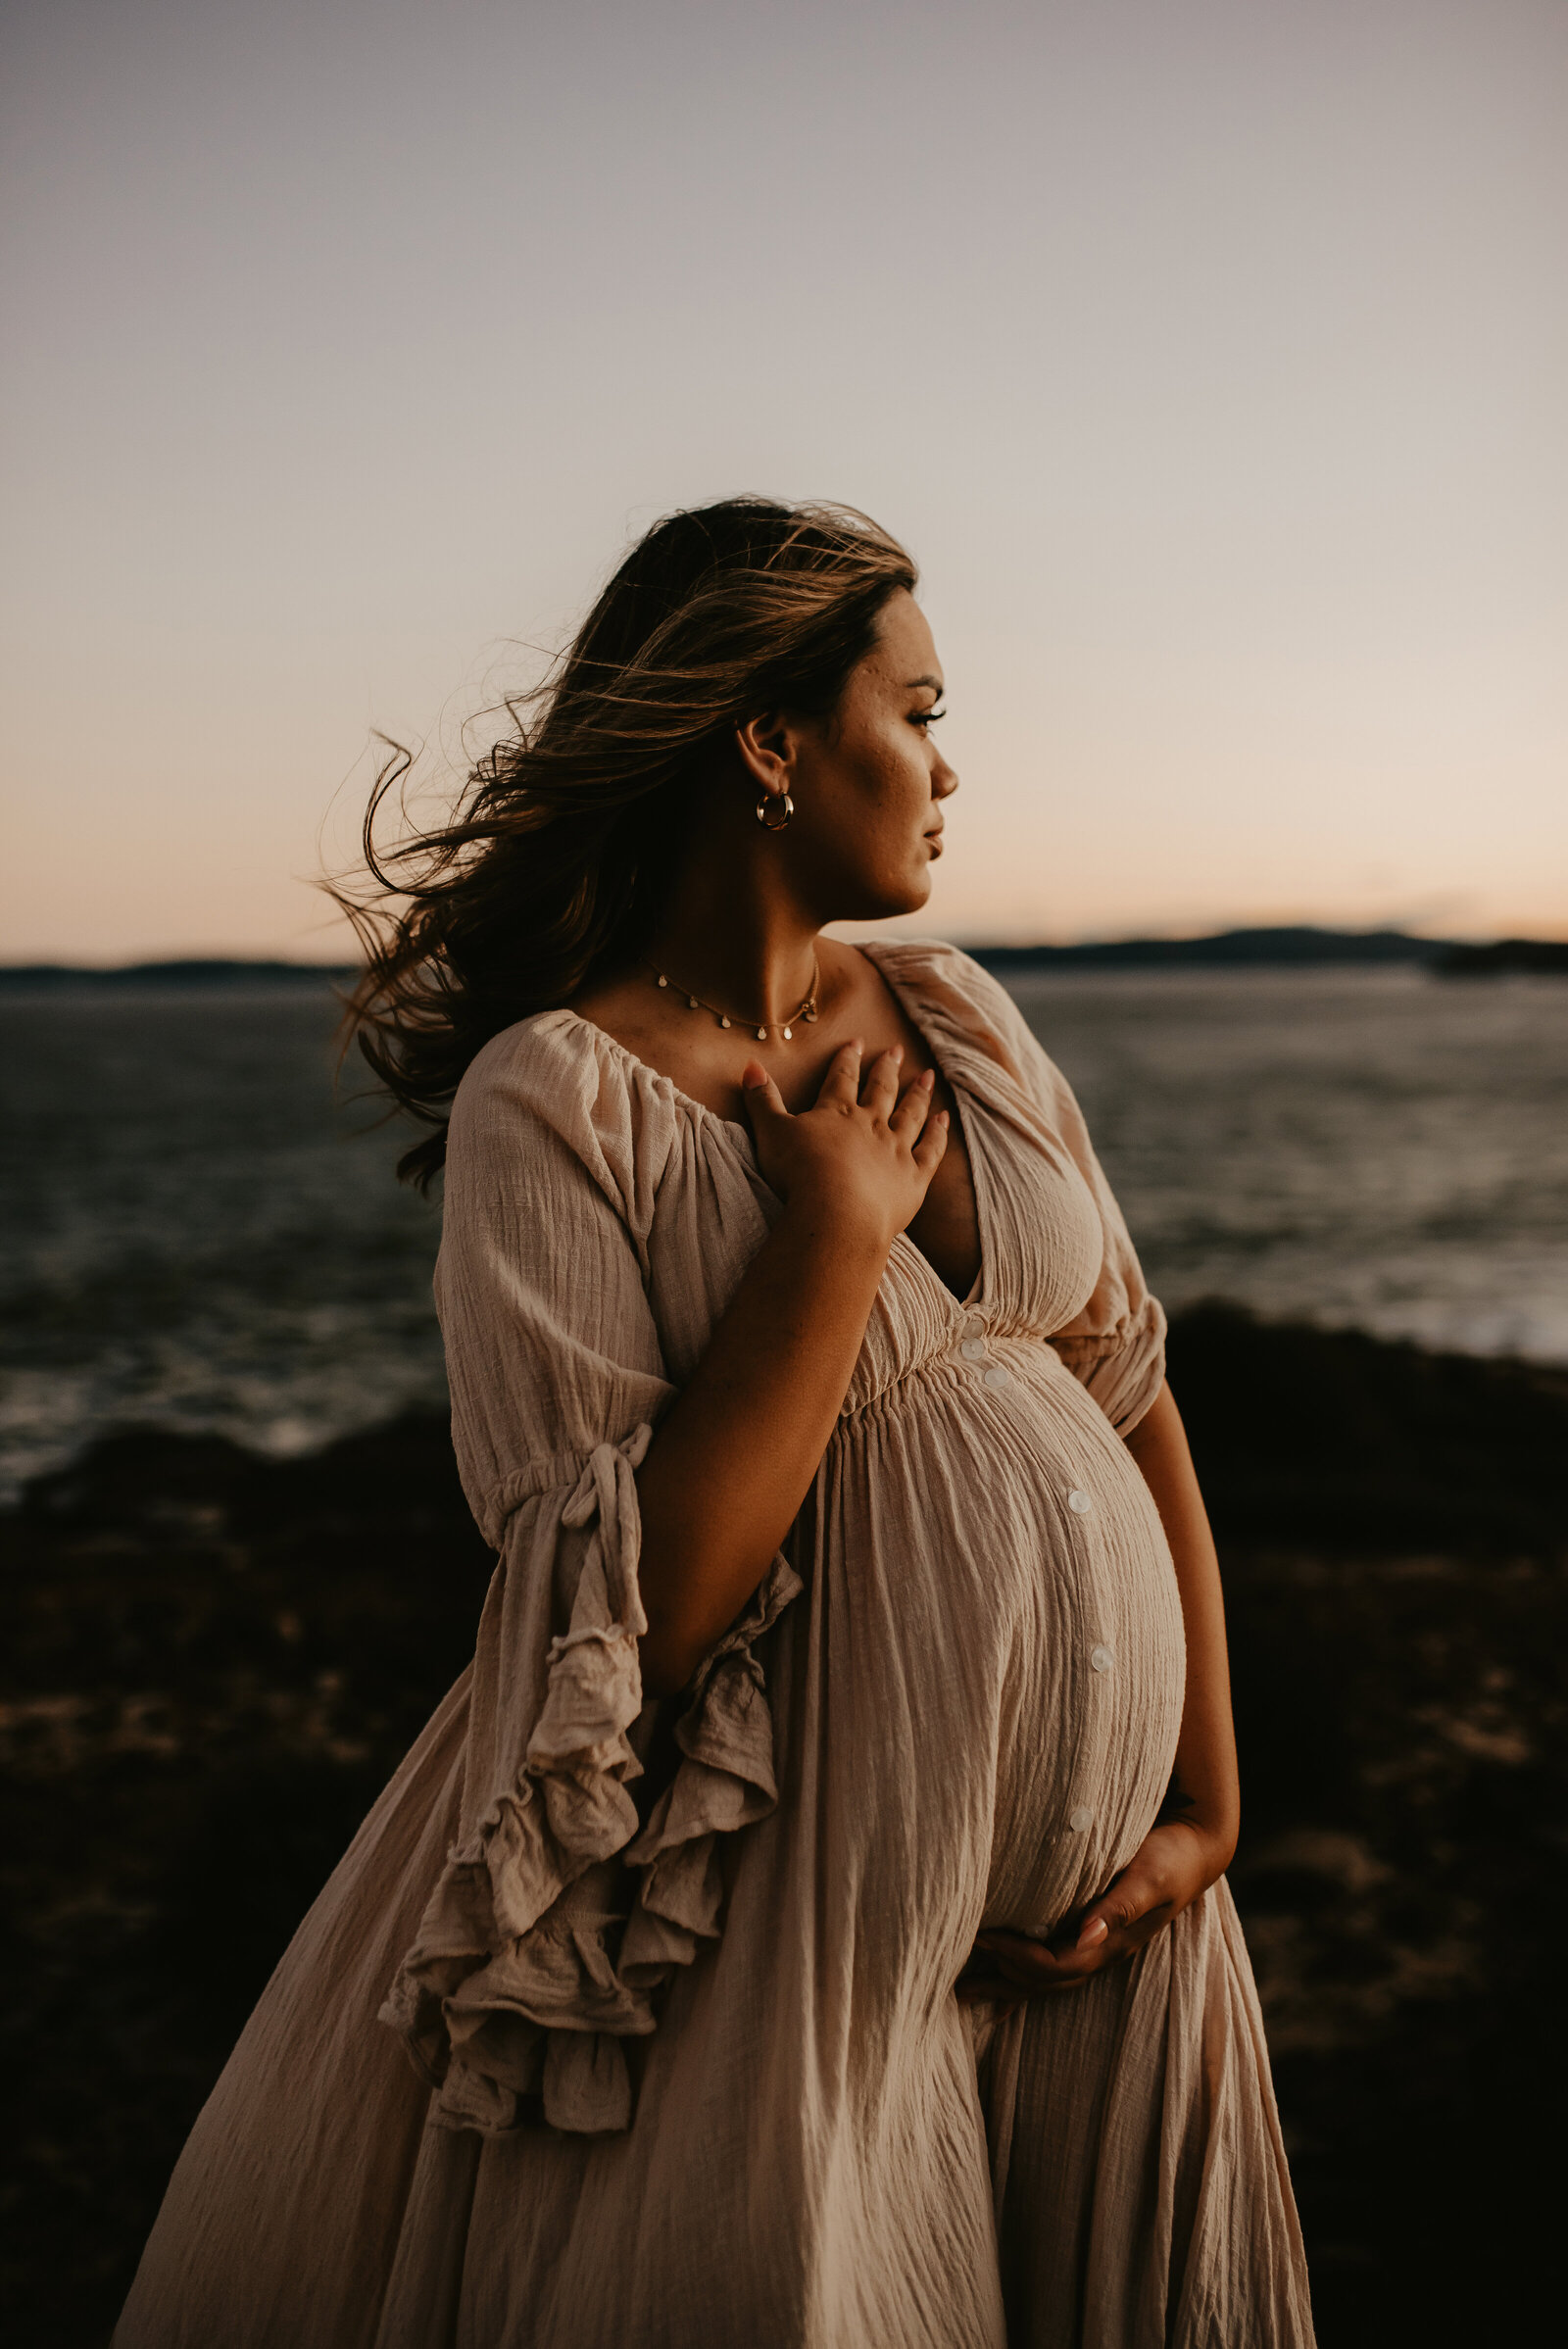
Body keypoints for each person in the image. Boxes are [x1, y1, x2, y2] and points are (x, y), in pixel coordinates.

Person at [113, 498, 1314, 2347]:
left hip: (1122, 1946)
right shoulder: (557, 1098)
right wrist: (830, 1240)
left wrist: (1209, 1810)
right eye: (915, 710)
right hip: (805, 1948)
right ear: (770, 740)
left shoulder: (962, 1018)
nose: (948, 764)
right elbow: (637, 1613)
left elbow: (1131, 1392)